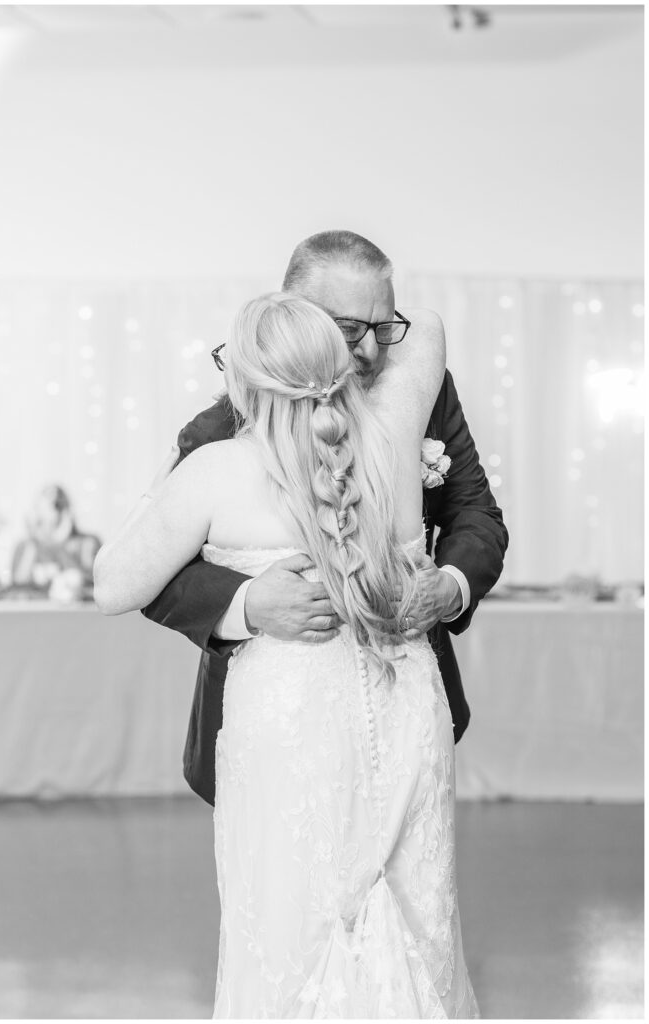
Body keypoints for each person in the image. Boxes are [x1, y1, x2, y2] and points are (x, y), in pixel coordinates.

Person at [95, 289, 480, 1016]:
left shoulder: (213, 472)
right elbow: (424, 326)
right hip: (404, 707)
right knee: (415, 923)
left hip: (290, 718)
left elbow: (111, 583)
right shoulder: (394, 437)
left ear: (241, 383)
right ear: (344, 364)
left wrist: (168, 497)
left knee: (289, 933)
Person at [142, 231, 508, 807]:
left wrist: (451, 585)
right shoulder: (222, 426)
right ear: (295, 316)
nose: (369, 350)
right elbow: (152, 572)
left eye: (384, 327)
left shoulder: (424, 392)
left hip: (408, 707)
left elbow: (475, 512)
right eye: (347, 329)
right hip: (276, 724)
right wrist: (246, 605)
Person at [11, 484, 101, 600]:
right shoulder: (26, 546)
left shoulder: (87, 543)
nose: (48, 514)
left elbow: (94, 583)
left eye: (56, 506)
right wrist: (34, 538)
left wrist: (60, 541)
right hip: (38, 613)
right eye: (41, 507)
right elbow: (18, 583)